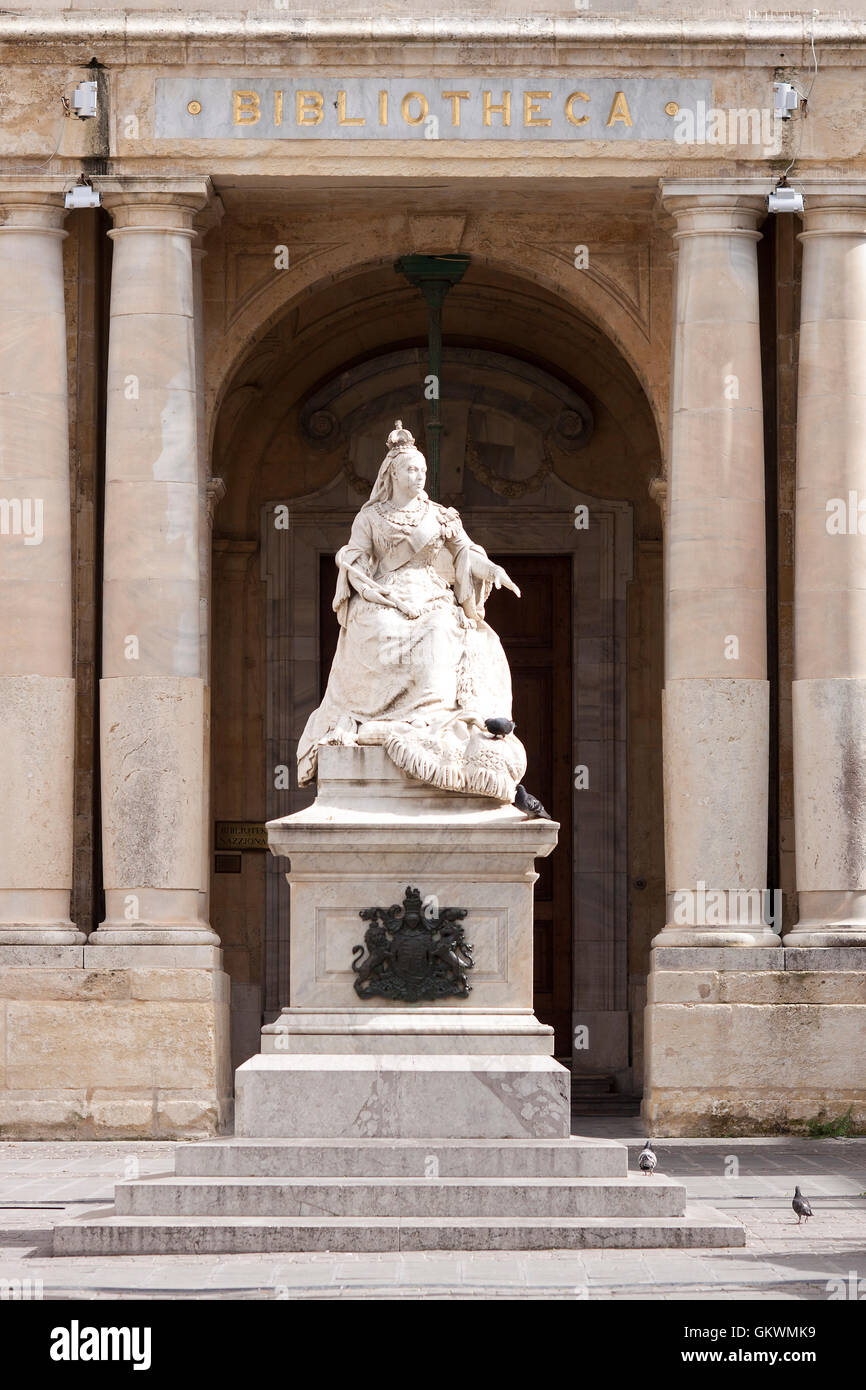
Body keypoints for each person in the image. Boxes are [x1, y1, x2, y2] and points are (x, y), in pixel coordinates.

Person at [297, 421, 527, 800]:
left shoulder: (440, 514)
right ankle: (383, 720)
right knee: (376, 627)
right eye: (411, 470)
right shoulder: (370, 518)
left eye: (422, 470)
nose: (419, 476)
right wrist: (351, 566)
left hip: (431, 595)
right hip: (385, 596)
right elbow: (357, 557)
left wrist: (492, 569)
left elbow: (464, 552)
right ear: (393, 473)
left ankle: (430, 718)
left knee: (439, 629)